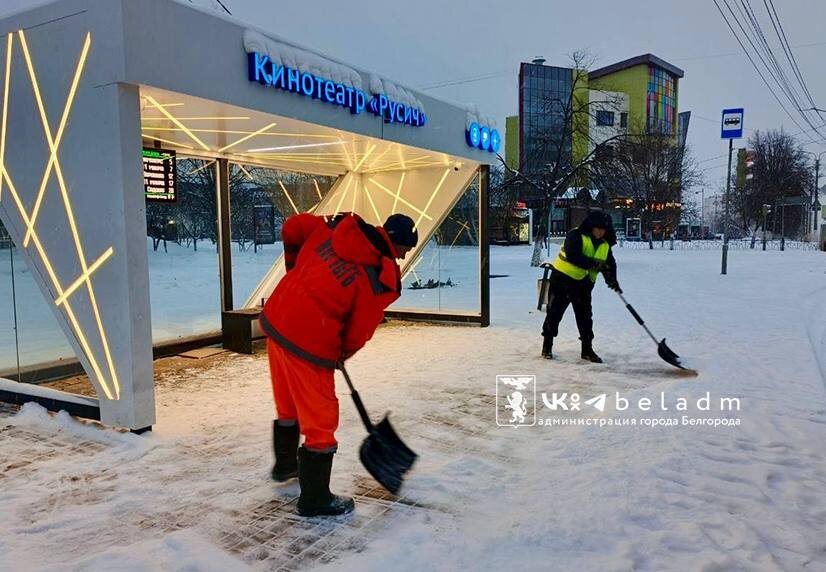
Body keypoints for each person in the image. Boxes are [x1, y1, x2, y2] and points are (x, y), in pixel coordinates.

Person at [259, 211, 417, 517]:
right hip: (309, 340)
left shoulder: (336, 227)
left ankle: (286, 465)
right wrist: (339, 354)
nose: (403, 257)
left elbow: (293, 226)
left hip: (277, 321)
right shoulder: (378, 277)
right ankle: (316, 499)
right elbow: (358, 332)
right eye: (405, 249)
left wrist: (296, 271)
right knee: (322, 420)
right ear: (395, 243)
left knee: (289, 404)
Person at [541, 211, 621, 363]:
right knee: (554, 313)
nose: (600, 232)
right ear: (591, 227)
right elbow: (573, 255)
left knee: (585, 317)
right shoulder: (576, 235)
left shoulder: (605, 245)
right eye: (597, 228)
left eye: (603, 229)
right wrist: (594, 264)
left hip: (583, 284)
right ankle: (547, 345)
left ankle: (587, 350)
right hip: (562, 280)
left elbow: (610, 263)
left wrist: (612, 280)